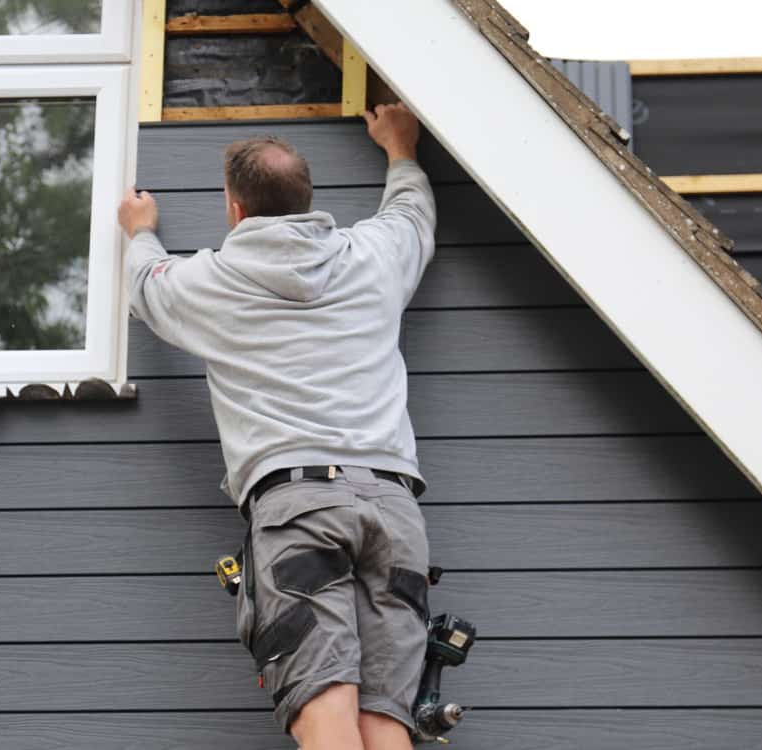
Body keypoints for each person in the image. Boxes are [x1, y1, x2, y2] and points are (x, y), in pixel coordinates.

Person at [117, 103, 435, 750]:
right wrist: (400, 149)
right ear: (309, 200)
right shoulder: (373, 256)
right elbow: (411, 215)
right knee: (384, 719)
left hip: (299, 506)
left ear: (235, 209)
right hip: (394, 511)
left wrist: (140, 230)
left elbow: (147, 284)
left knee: (324, 707)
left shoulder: (209, 280)